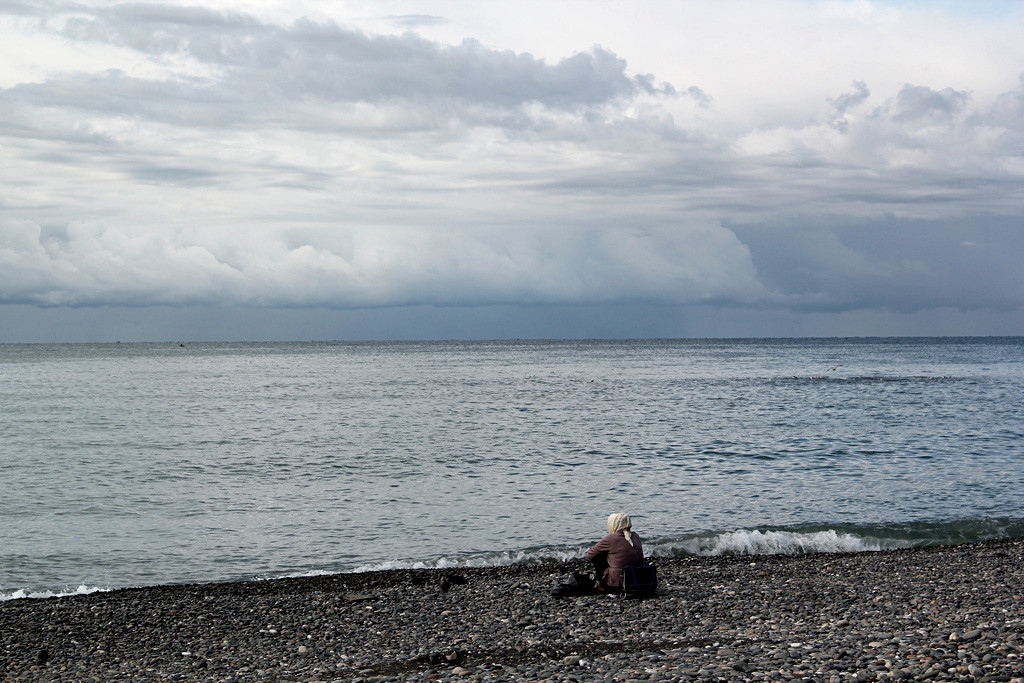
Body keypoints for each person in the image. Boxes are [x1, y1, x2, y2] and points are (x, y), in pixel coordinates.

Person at [587, 513, 644, 593]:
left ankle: (603, 584)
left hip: (618, 585)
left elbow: (590, 554)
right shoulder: (635, 536)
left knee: (600, 556)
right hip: (639, 581)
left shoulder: (610, 539)